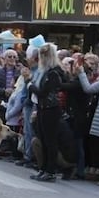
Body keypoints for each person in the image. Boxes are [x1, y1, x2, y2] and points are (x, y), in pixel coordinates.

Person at [27, 43, 65, 182]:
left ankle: (50, 171)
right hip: (43, 108)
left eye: (43, 56)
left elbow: (43, 92)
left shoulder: (54, 72)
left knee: (50, 141)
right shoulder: (46, 71)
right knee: (43, 139)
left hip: (51, 109)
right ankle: (43, 168)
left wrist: (31, 86)